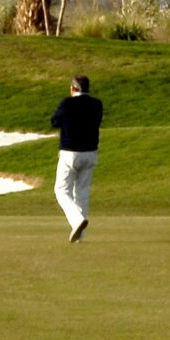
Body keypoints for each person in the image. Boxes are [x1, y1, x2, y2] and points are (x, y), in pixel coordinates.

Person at [49, 74, 102, 241]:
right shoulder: (96, 104)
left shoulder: (67, 103)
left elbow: (55, 122)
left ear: (73, 88)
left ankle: (77, 220)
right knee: (82, 192)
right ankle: (80, 235)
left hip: (70, 152)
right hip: (90, 153)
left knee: (62, 190)